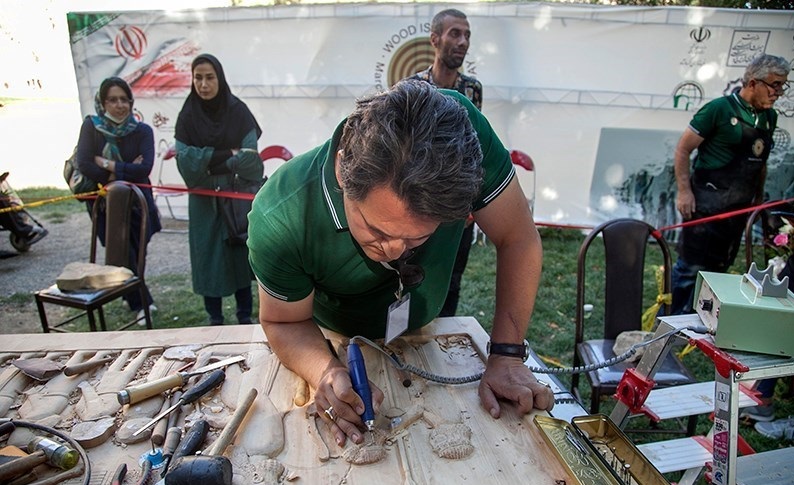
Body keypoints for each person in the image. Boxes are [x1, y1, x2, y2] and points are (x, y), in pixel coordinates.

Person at [248, 80, 551, 448]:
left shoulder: (460, 137)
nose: (393, 251)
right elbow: (284, 319)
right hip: (328, 335)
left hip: (423, 327)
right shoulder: (281, 216)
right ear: (343, 171)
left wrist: (506, 355)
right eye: (375, 230)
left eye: (417, 238)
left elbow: (517, 237)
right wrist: (325, 371)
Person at [670, 54, 790, 316]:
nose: (779, 92)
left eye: (783, 85)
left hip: (738, 209)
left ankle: (702, 325)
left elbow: (760, 160)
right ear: (753, 83)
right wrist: (684, 191)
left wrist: (757, 198)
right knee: (690, 270)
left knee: (719, 272)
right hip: (705, 204)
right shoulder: (719, 109)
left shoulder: (769, 119)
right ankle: (669, 325)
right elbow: (682, 149)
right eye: (775, 85)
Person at [175, 54, 263, 325]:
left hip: (234, 197)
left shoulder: (238, 111)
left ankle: (244, 316)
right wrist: (227, 156)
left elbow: (250, 160)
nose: (203, 84)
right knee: (207, 257)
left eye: (209, 77)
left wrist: (206, 160)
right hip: (203, 202)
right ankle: (214, 317)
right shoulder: (188, 116)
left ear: (220, 78)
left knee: (238, 254)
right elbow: (185, 162)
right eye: (198, 77)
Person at [409, 8, 482, 317]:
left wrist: (471, 201)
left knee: (452, 279)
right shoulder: (413, 87)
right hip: (420, 201)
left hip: (458, 203)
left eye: (466, 35)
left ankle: (443, 338)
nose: (463, 41)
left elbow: (473, 144)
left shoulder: (472, 89)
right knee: (414, 274)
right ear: (435, 39)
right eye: (455, 33)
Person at [74, 77, 161, 322]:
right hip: (105, 205)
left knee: (137, 250)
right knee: (123, 252)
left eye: (124, 99)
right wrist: (122, 170)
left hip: (137, 203)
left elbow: (144, 168)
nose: (119, 105)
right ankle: (141, 303)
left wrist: (108, 164)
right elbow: (85, 163)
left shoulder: (142, 131)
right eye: (113, 100)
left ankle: (130, 294)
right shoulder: (92, 127)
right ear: (103, 103)